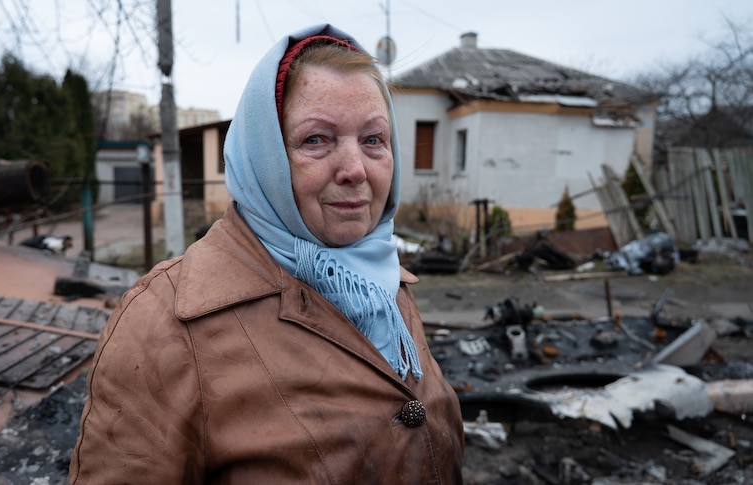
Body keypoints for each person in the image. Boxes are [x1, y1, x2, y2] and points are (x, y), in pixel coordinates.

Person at [69, 24, 465, 483]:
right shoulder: (165, 323)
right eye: (317, 140)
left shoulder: (385, 284)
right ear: (263, 157)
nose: (356, 169)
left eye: (373, 139)